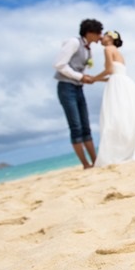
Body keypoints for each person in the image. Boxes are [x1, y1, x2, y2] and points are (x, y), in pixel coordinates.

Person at [92, 30, 135, 166]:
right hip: (125, 83)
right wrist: (97, 80)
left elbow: (110, 70)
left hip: (117, 85)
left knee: (116, 116)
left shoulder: (108, 49)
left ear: (110, 38)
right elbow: (115, 73)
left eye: (105, 35)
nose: (101, 38)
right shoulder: (119, 53)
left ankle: (120, 151)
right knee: (127, 115)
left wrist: (93, 78)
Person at [54, 18, 103, 169]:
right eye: (98, 33)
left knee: (85, 126)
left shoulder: (88, 49)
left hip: (78, 87)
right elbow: (59, 65)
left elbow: (81, 69)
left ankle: (95, 161)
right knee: (76, 126)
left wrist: (85, 78)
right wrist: (81, 77)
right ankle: (85, 164)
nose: (100, 36)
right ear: (90, 33)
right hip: (66, 87)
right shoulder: (74, 42)